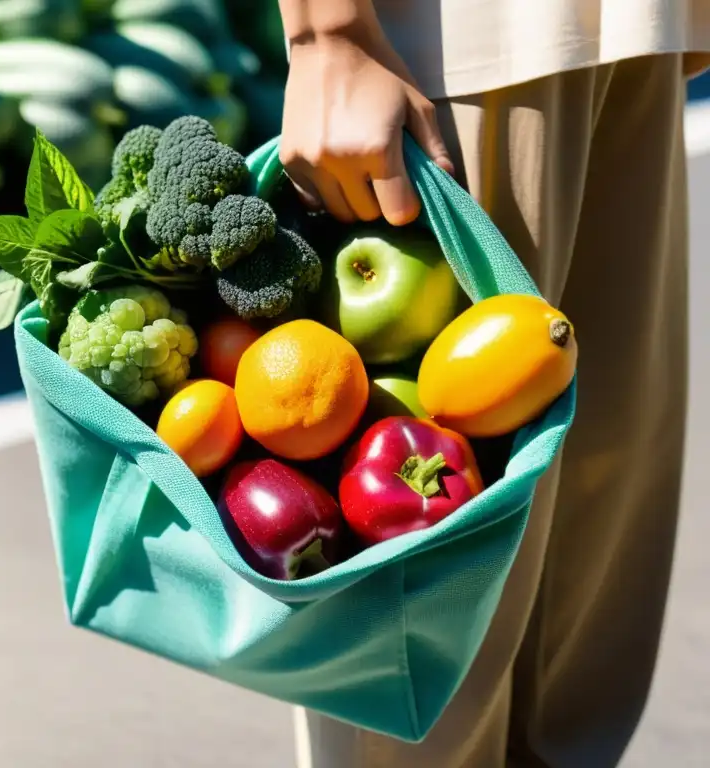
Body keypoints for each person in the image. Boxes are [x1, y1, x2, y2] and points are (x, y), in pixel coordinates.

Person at [277, 1, 709, 766]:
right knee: (427, 691)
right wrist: (326, 33)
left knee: (590, 618)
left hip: (627, 33)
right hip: (459, 48)